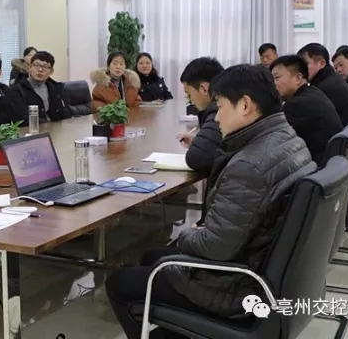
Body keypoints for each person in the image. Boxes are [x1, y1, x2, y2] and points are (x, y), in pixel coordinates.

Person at [106, 64, 315, 339]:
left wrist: (188, 234)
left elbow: (215, 247)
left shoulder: (250, 166)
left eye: (221, 106)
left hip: (236, 288)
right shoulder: (287, 139)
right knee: (153, 257)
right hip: (265, 271)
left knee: (120, 283)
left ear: (245, 106)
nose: (216, 118)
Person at [270, 55, 342, 165]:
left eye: (277, 78)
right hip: (332, 166)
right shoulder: (313, 93)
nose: (272, 84)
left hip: (316, 168)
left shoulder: (296, 105)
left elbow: (274, 141)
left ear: (298, 78)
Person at [177, 57, 224, 174]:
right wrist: (200, 142)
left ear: (204, 89)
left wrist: (199, 147)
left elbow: (196, 158)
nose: (191, 101)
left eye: (189, 94)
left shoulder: (218, 113)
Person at [297, 43, 348, 126]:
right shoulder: (331, 80)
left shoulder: (323, 89)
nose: (300, 70)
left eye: (305, 64)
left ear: (322, 63)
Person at [8, 51, 71, 124]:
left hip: (56, 129)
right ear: (30, 67)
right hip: (32, 130)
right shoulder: (17, 90)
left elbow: (65, 114)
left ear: (51, 71)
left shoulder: (57, 89)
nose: (40, 70)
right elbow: (22, 118)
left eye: (45, 67)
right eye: (36, 65)